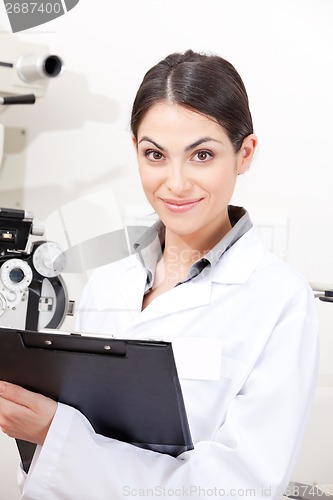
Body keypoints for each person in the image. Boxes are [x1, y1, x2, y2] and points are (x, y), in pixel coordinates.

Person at [0, 50, 319, 499]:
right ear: (135, 150)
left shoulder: (280, 300)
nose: (176, 183)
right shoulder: (108, 281)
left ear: (244, 153)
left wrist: (56, 434)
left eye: (202, 155)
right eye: (155, 154)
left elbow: (240, 488)